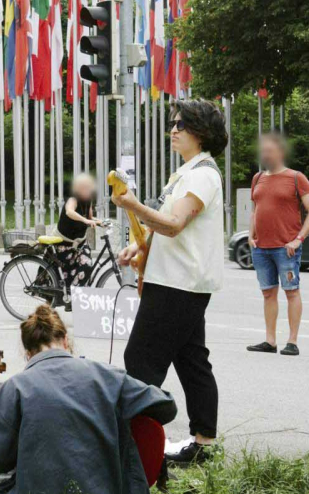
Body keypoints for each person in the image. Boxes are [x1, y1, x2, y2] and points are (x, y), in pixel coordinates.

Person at [0, 305, 177, 494]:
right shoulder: (108, 376)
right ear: (66, 341)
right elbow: (165, 405)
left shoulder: (15, 387)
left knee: (2, 477)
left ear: (28, 354)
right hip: (106, 493)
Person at [111, 98, 228, 466]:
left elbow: (176, 224)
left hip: (179, 284)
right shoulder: (185, 173)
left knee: (141, 362)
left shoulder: (202, 175)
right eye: (173, 123)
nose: (173, 130)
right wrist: (139, 245)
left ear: (202, 133)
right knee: (192, 360)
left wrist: (130, 205)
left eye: (182, 124)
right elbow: (165, 226)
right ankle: (203, 443)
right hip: (178, 281)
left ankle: (141, 452)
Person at [246, 133, 309, 356]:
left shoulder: (296, 178)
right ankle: (270, 341)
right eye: (263, 151)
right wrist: (250, 236)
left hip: (287, 248)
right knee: (268, 294)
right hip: (261, 248)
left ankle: (292, 341)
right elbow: (254, 210)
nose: (265, 154)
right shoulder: (257, 178)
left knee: (291, 292)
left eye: (270, 150)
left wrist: (298, 238)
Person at [56, 174, 101, 285]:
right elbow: (69, 211)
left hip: (79, 243)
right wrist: (85, 221)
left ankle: (76, 293)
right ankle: (73, 293)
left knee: (87, 265)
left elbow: (89, 217)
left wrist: (100, 222)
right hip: (64, 243)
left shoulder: (88, 200)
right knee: (61, 273)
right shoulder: (73, 199)